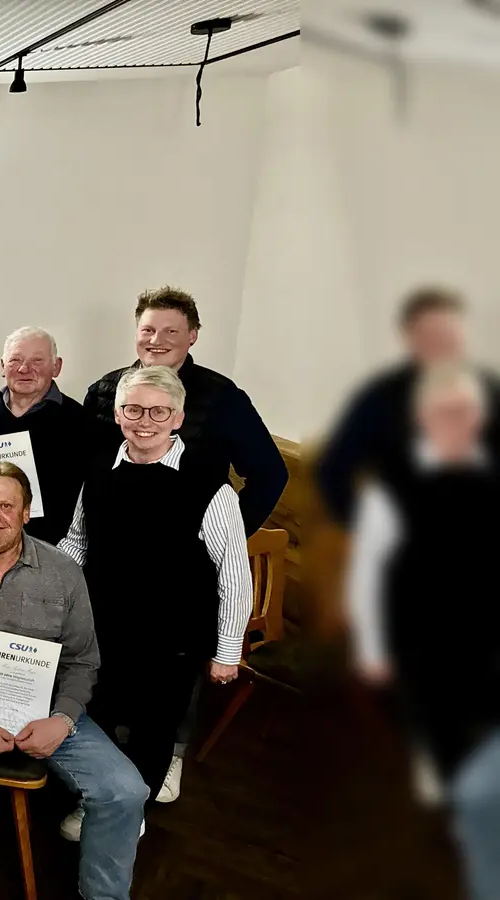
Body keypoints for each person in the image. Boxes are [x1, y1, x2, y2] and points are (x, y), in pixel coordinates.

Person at [0, 462, 146, 900]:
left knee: (125, 791)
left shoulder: (63, 571)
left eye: (6, 505)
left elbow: (83, 660)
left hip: (44, 706)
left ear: (27, 512)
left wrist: (63, 719)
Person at [56, 365, 252, 836]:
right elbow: (78, 542)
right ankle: (97, 798)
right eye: (133, 409)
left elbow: (234, 572)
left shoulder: (210, 484)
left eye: (158, 410)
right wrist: (36, 581)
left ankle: (130, 811)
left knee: (154, 728)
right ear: (118, 413)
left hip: (175, 636)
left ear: (178, 416)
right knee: (96, 714)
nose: (145, 420)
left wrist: (227, 651)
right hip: (104, 625)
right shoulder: (99, 467)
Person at [346, 363, 499, 900]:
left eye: (466, 412)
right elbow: (367, 572)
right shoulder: (393, 487)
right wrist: (372, 648)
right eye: (444, 412)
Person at [82, 286, 287, 536]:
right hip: (109, 540)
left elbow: (270, 474)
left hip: (186, 550)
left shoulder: (224, 397)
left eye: (171, 331)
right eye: (148, 330)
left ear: (192, 336)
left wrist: (224, 537)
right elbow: (85, 471)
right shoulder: (103, 391)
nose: (156, 340)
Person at [316, 287, 500, 526]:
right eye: (432, 335)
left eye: (449, 333)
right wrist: (368, 529)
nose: (443, 343)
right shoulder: (379, 397)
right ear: (410, 338)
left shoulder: (490, 390)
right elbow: (333, 470)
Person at [0, 326, 89, 545]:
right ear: (3, 367)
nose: (24, 369)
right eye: (15, 360)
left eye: (37, 361)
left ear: (56, 366)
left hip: (52, 545)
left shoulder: (78, 419)